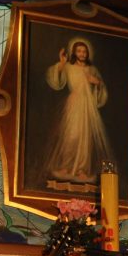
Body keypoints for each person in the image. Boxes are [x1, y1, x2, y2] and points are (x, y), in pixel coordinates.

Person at [43, 38, 111, 184]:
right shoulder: (69, 66)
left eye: (84, 51)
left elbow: (101, 89)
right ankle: (66, 166)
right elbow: (55, 79)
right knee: (71, 136)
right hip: (74, 104)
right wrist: (62, 63)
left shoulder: (92, 70)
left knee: (85, 138)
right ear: (74, 52)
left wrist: (97, 82)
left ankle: (81, 170)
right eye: (79, 51)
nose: (82, 54)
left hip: (87, 107)